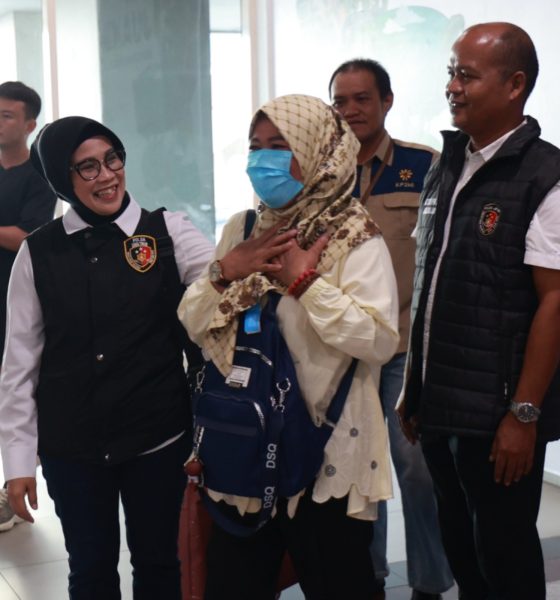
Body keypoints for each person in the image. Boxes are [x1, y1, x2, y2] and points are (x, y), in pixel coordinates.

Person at [180, 94, 399, 600]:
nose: (263, 160)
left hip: (325, 451)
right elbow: (194, 322)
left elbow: (378, 341)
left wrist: (306, 283)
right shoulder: (244, 228)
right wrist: (225, 272)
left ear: (318, 150)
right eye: (255, 146)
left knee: (338, 583)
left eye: (279, 146)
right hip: (244, 444)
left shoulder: (353, 236)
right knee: (234, 585)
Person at [0, 116, 213, 599]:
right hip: (71, 444)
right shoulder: (38, 251)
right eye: (88, 167)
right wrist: (17, 461)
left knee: (159, 564)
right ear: (63, 179)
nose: (107, 175)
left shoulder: (168, 232)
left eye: (112, 159)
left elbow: (221, 288)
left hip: (157, 436)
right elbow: (19, 363)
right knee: (91, 569)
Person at [399, 22, 560, 600]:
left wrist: (524, 415)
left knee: (505, 560)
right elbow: (431, 282)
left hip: (499, 419)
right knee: (463, 554)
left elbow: (555, 302)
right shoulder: (448, 164)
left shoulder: (545, 176)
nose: (453, 86)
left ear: (514, 85)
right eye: (451, 73)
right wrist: (414, 386)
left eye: (467, 75)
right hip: (441, 405)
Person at [329, 59, 453, 600]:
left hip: (403, 346)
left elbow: (444, 255)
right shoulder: (321, 173)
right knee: (358, 470)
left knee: (417, 469)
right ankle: (368, 578)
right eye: (340, 101)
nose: (351, 110)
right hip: (344, 351)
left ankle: (429, 581)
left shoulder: (423, 165)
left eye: (362, 98)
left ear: (387, 101)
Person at [0, 81, 56, 532]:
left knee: (14, 391)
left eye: (6, 116)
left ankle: (12, 485)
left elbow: (27, 239)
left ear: (29, 124)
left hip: (14, 302)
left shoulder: (40, 178)